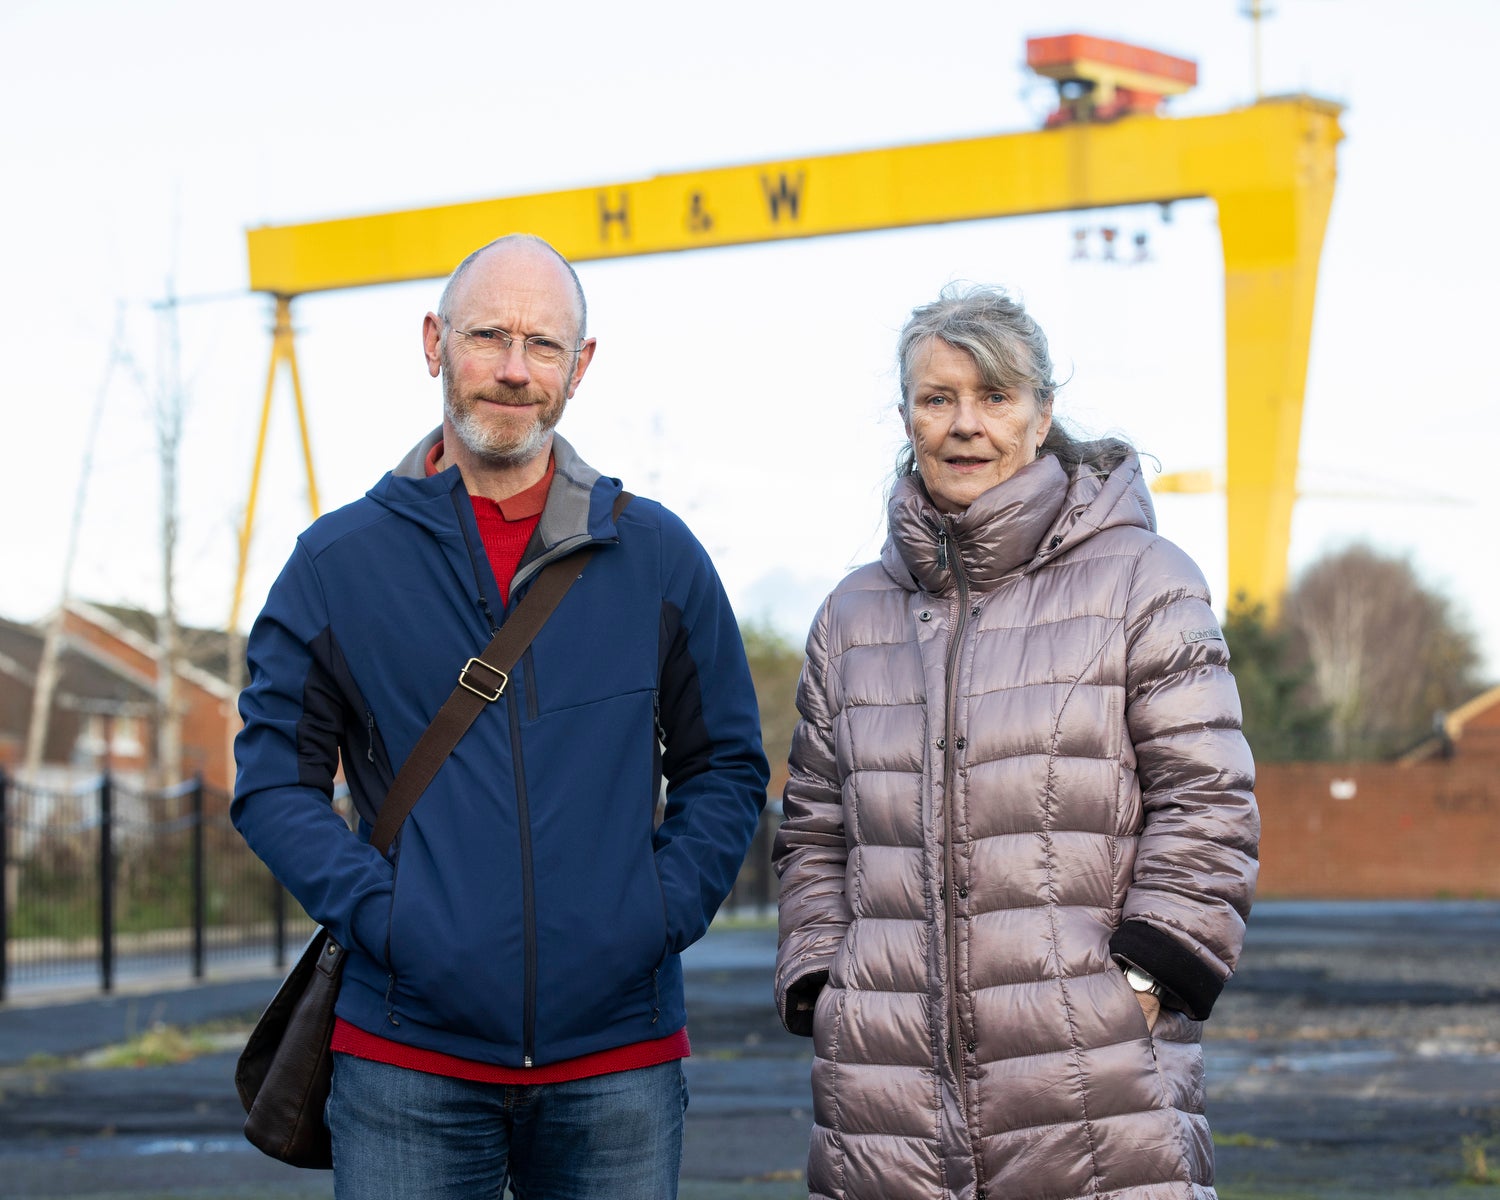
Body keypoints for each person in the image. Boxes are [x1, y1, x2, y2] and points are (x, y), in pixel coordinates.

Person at [232, 234, 769, 1199]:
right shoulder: (336, 561)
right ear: (435, 342)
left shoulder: (655, 554)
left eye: (543, 344)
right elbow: (274, 781)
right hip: (406, 1056)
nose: (515, 370)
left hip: (618, 1064)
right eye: (489, 336)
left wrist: (655, 913)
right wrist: (390, 919)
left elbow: (725, 763)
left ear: (582, 366)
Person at [773, 284, 1258, 1199]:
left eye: (995, 396)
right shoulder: (850, 615)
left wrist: (1143, 983)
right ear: (907, 416)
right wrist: (826, 982)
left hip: (1094, 1081)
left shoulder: (1142, 582)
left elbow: (1208, 800)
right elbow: (813, 829)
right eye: (938, 398)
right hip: (886, 1089)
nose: (966, 425)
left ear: (1041, 417)